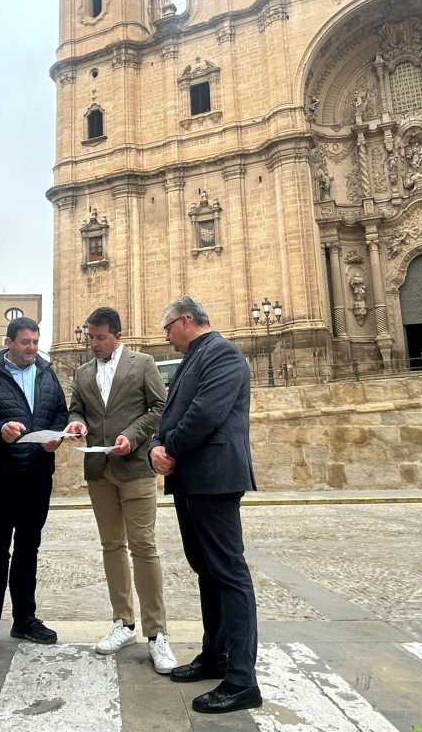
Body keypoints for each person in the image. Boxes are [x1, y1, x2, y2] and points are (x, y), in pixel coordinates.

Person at [150, 295, 262, 714]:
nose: (165, 337)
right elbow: (169, 415)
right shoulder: (192, 358)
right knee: (207, 570)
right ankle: (215, 655)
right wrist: (156, 447)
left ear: (184, 321)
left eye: (167, 328)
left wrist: (168, 449)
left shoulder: (223, 355)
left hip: (214, 478)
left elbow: (203, 414)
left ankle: (241, 678)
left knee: (229, 573)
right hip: (190, 479)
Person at [63, 307, 176, 674]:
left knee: (144, 547)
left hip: (136, 469)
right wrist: (76, 425)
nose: (92, 344)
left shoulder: (143, 364)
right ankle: (123, 623)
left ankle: (156, 634)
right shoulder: (81, 373)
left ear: (116, 335)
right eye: (89, 337)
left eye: (99, 337)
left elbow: (161, 407)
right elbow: (76, 409)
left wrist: (134, 435)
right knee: (111, 545)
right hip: (98, 470)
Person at [0, 317, 69, 656]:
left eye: (36, 341)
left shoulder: (47, 373)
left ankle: (25, 619)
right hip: (3, 477)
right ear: (9, 342)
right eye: (26, 342)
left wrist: (56, 436)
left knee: (29, 550)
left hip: (38, 475)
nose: (32, 348)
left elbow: (61, 415)